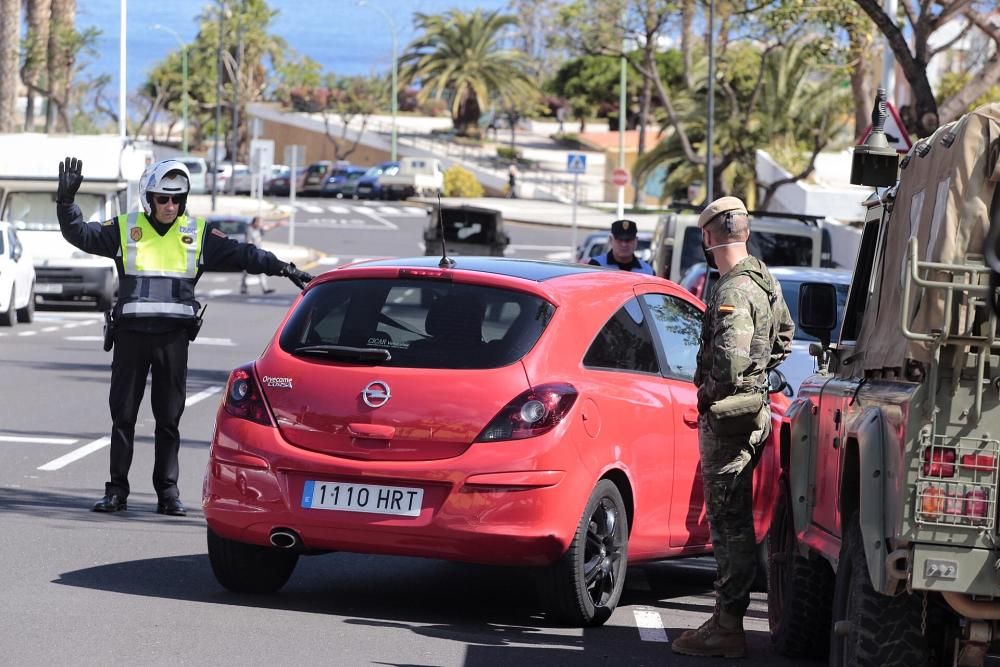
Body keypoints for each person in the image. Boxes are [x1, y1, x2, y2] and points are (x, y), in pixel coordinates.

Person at [55, 157, 314, 517]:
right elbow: (80, 235)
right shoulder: (125, 229)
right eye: (163, 199)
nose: (170, 206)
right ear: (149, 198)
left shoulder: (197, 233)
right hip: (131, 336)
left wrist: (283, 268)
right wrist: (65, 204)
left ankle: (168, 494)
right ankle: (116, 491)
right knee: (124, 417)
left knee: (169, 419)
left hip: (172, 340)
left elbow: (244, 254)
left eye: (177, 200)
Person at [671, 196, 793, 658]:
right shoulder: (763, 278)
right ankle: (727, 620)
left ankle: (727, 626)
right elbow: (784, 334)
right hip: (751, 410)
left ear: (708, 236)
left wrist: (712, 392)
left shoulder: (732, 290)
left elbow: (729, 359)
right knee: (734, 517)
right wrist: (758, 377)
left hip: (728, 417)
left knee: (728, 523)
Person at [587, 219, 654, 274]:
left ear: (636, 240)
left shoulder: (648, 271)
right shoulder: (596, 266)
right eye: (619, 240)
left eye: (628, 240)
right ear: (611, 240)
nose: (624, 244)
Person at [240, 216, 275, 295]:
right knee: (246, 272)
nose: (260, 224)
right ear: (255, 222)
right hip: (250, 254)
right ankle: (243, 288)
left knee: (261, 270)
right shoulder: (249, 230)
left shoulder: (258, 229)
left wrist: (277, 224)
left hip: (258, 253)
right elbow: (248, 241)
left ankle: (265, 289)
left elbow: (267, 228)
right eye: (259, 222)